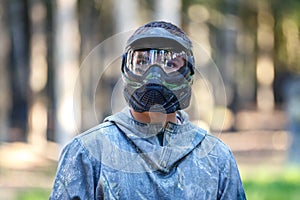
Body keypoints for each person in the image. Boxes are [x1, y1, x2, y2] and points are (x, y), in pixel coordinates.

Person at [50, 21, 247, 200]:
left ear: (188, 74)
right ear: (126, 69)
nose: (154, 74)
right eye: (142, 62)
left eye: (169, 64)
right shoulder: (87, 152)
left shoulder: (217, 158)